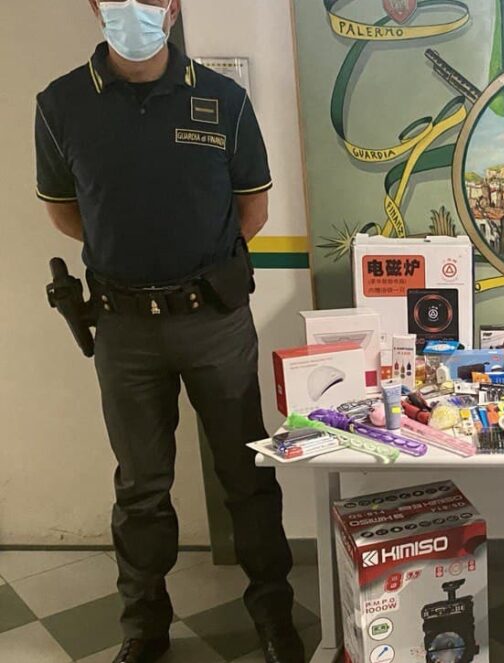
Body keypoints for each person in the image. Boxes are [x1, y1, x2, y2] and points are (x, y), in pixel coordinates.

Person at [34, 2, 303, 662]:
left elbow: (252, 208)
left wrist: (191, 266)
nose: (135, 6)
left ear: (174, 7)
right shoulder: (61, 104)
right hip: (124, 330)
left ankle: (274, 616)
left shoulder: (222, 98)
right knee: (141, 489)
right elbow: (67, 213)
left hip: (214, 321)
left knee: (246, 475)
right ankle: (144, 627)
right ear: (94, 6)